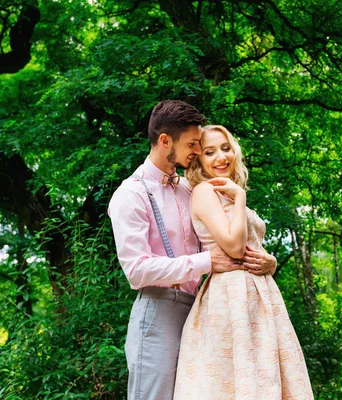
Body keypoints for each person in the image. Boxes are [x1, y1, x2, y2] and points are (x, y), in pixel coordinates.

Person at [108, 100, 277, 400]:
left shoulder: (190, 190)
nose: (197, 151)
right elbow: (136, 271)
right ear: (164, 141)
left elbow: (226, 238)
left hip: (201, 310)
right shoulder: (130, 195)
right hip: (158, 311)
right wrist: (205, 261)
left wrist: (267, 261)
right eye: (192, 144)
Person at [173, 125, 313, 399]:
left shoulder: (228, 191)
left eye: (225, 149)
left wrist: (270, 262)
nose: (220, 157)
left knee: (266, 378)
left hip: (259, 297)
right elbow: (235, 246)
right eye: (210, 152)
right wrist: (240, 196)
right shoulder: (205, 192)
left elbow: (253, 246)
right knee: (235, 381)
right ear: (199, 159)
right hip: (229, 298)